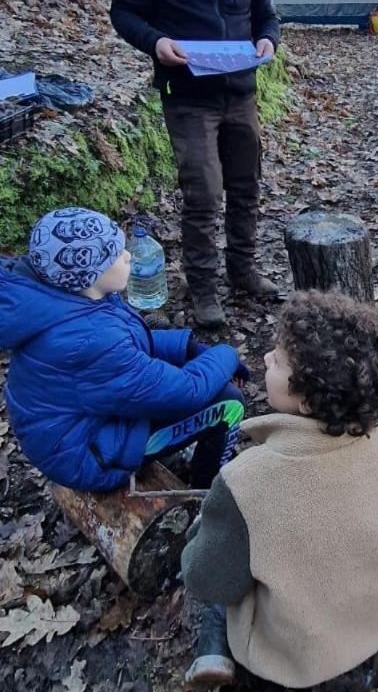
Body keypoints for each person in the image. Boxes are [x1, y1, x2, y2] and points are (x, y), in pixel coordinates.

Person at [181, 290, 378, 689]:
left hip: (299, 654)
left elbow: (208, 579)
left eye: (277, 360)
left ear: (308, 402)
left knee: (217, 572)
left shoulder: (246, 480)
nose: (265, 359)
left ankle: (215, 648)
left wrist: (199, 535)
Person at [110, 0, 280, 329]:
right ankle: (204, 290)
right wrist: (156, 41)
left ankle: (242, 269)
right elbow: (123, 11)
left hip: (241, 91)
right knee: (204, 193)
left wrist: (268, 40)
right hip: (187, 96)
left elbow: (267, 17)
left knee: (245, 185)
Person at [0, 207, 249, 493]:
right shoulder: (90, 341)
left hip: (72, 429)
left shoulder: (69, 300)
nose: (128, 255)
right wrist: (227, 354)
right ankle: (208, 497)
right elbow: (187, 391)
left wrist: (189, 347)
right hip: (86, 457)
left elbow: (130, 343)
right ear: (90, 274)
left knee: (197, 373)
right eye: (116, 253)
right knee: (228, 401)